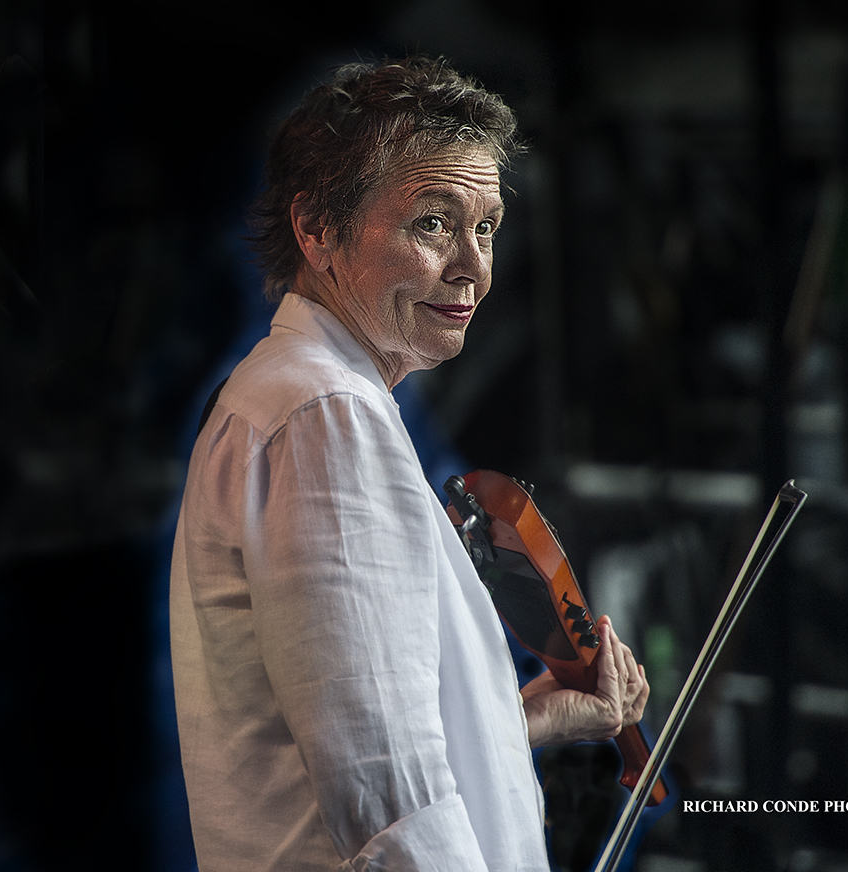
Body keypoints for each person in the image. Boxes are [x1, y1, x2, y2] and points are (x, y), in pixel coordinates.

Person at [170, 56, 649, 871]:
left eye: (486, 227)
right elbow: (382, 793)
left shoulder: (304, 398)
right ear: (316, 229)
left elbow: (362, 730)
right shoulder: (327, 415)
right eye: (433, 222)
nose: (473, 266)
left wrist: (522, 716)